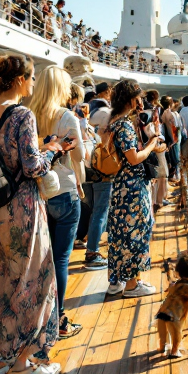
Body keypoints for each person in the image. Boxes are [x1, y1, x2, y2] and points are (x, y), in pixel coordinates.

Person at [0, 55, 63, 374]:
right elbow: (32, 167)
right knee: (32, 281)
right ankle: (22, 364)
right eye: (33, 78)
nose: (35, 83)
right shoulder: (22, 114)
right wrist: (52, 150)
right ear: (22, 79)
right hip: (21, 208)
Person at [29, 66, 85, 338]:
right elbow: (80, 156)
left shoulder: (27, 112)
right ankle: (58, 319)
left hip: (35, 192)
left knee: (41, 260)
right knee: (61, 258)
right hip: (62, 190)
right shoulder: (66, 116)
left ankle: (38, 315)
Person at [104, 79, 164, 298]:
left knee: (120, 233)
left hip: (122, 185)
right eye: (138, 96)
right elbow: (134, 158)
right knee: (135, 232)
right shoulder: (124, 125)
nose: (141, 100)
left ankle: (117, 281)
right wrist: (151, 144)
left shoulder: (115, 121)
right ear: (131, 99)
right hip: (133, 187)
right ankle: (131, 285)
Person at [78, 83, 110, 270]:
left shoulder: (83, 117)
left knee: (92, 210)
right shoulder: (104, 116)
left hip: (86, 172)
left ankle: (90, 242)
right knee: (100, 212)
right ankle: (92, 251)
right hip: (100, 171)